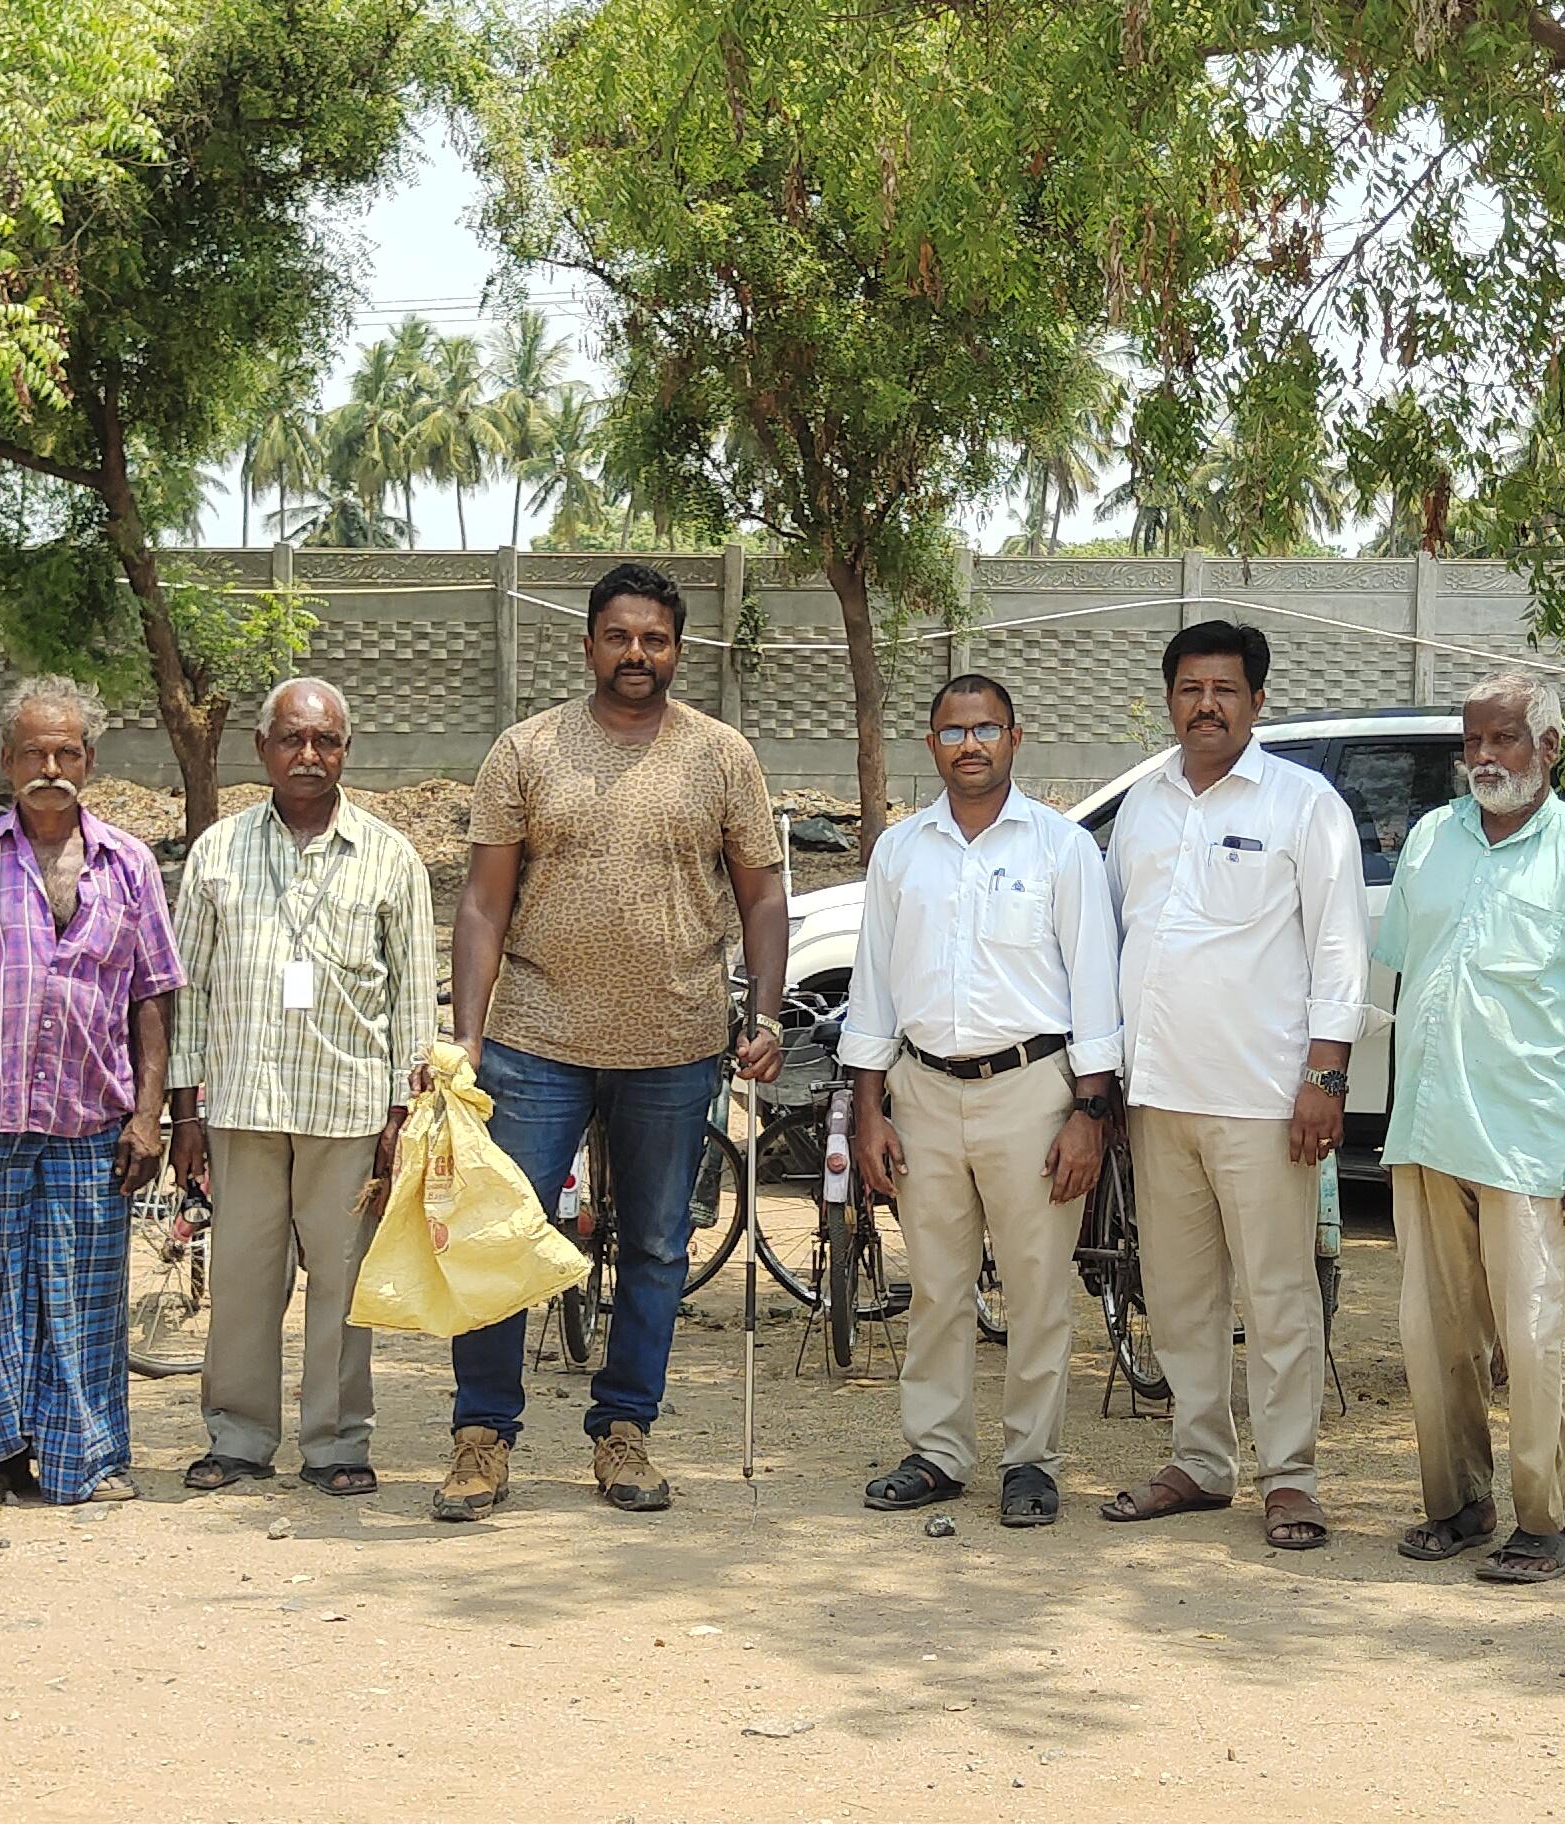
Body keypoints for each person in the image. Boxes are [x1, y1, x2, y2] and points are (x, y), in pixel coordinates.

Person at [437, 561, 788, 1521]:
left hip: (674, 1041)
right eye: (620, 637)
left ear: (679, 649)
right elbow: (482, 903)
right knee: (502, 1235)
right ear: (589, 644)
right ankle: (481, 1436)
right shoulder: (526, 750)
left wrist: (763, 1015)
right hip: (534, 1039)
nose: (638, 653)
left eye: (656, 639)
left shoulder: (722, 756)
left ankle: (625, 1429)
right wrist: (467, 1036)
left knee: (659, 1247)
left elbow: (762, 896)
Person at [1097, 620, 1367, 1551]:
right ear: (1170, 700)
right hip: (1157, 1095)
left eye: (1224, 690)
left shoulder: (1304, 804)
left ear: (1257, 701)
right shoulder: (1143, 806)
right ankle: (1200, 1460)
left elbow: (1340, 948)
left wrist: (1325, 1076)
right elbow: (1118, 940)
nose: (1205, 705)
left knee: (1279, 1293)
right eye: (1189, 689)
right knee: (1178, 1294)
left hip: (1264, 1098)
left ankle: (1290, 1476)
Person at [1378, 673, 1565, 1584]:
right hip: (1430, 1134)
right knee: (1436, 1340)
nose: (1485, 759)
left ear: (1550, 748)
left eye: (1504, 740)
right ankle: (1458, 1505)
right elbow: (1409, 978)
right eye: (1474, 743)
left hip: (1534, 1142)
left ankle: (1543, 1524)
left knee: (1540, 1343)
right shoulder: (1430, 839)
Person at [838, 675, 1124, 1529]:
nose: (971, 745)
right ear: (932, 745)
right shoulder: (900, 851)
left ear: (1015, 738)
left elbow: (1095, 987)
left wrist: (1089, 1113)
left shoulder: (1061, 848)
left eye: (987, 729)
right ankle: (937, 1451)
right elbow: (873, 987)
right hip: (922, 1090)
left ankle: (1030, 1462)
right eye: (954, 732)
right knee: (936, 1284)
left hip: (1032, 1092)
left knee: (1037, 1290)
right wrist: (868, 1108)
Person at [0, 677, 184, 1508]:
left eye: (66, 753)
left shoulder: (128, 864)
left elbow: (153, 996)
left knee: (86, 1300)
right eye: (33, 753)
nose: (50, 769)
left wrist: (148, 1115)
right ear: (7, 761)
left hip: (92, 1120)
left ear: (90, 761)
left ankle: (88, 1462)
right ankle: (1, 1460)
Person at [168, 678, 433, 1498]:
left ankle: (337, 1443)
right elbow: (188, 991)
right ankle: (238, 1438)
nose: (308, 755)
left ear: (346, 750)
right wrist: (184, 1110)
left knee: (342, 1286)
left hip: (348, 1109)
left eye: (325, 741)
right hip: (241, 1104)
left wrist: (402, 1112)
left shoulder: (391, 857)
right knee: (243, 1282)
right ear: (263, 749)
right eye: (292, 739)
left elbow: (412, 1000)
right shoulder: (218, 852)